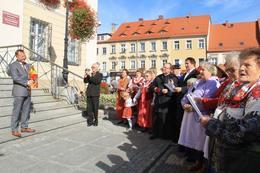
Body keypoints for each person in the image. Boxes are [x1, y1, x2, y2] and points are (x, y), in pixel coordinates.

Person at [200, 48, 260, 173]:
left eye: (247, 65)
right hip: (224, 154)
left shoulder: (257, 91)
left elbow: (245, 132)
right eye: (241, 64)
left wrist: (210, 123)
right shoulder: (240, 85)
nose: (242, 68)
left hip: (241, 160)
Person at [178, 62, 220, 171]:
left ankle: (202, 165)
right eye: (200, 69)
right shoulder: (198, 82)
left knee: (201, 142)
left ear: (210, 71)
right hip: (190, 115)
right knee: (194, 140)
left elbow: (207, 99)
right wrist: (185, 105)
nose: (200, 72)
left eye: (203, 70)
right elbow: (187, 95)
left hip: (202, 116)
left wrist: (194, 107)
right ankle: (197, 162)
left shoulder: (213, 82)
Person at [7, 49, 36, 137]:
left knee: (26, 110)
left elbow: (33, 76)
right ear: (17, 56)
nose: (24, 57)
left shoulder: (28, 65)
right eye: (22, 56)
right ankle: (14, 129)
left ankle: (24, 127)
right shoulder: (13, 65)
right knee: (17, 111)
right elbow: (15, 78)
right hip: (19, 91)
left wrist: (34, 80)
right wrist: (27, 82)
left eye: (24, 55)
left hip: (28, 91)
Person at [150, 63, 174, 139]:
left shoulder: (173, 78)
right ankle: (155, 133)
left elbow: (175, 90)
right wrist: (158, 89)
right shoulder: (158, 77)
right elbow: (152, 86)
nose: (164, 69)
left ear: (170, 69)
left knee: (164, 119)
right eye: (163, 67)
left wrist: (168, 91)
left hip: (166, 102)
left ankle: (164, 135)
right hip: (158, 101)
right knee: (156, 118)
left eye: (166, 68)